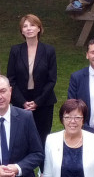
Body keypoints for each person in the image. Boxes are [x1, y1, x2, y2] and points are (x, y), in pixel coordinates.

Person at [7, 14, 58, 145]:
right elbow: (11, 79)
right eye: (25, 26)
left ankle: (43, 166)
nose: (29, 28)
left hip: (43, 101)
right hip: (20, 101)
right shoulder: (15, 50)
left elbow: (51, 79)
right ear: (22, 31)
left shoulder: (48, 50)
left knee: (42, 140)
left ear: (39, 28)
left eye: (32, 25)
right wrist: (22, 102)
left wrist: (37, 102)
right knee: (21, 140)